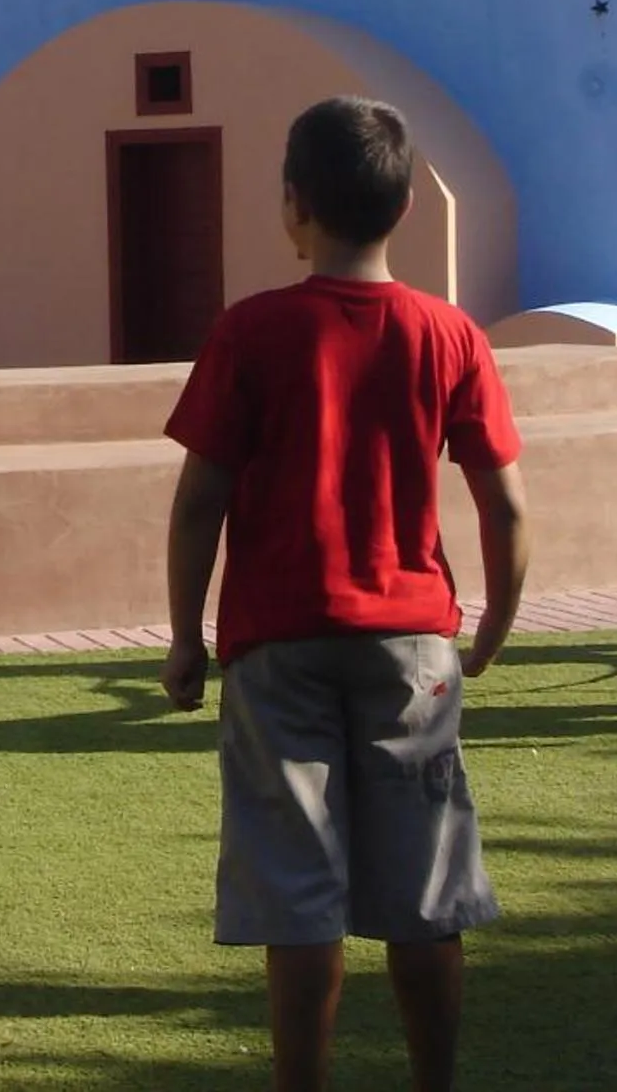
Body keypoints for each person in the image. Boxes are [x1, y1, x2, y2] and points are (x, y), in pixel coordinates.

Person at [161, 96, 529, 1092]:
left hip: (277, 642)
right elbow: (503, 502)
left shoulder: (250, 332)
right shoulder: (449, 334)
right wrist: (493, 624)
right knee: (426, 894)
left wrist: (186, 636)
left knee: (298, 898)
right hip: (412, 646)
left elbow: (200, 502)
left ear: (294, 203)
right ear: (405, 205)